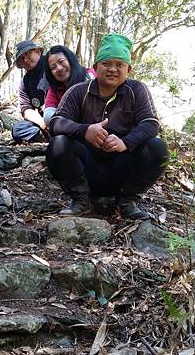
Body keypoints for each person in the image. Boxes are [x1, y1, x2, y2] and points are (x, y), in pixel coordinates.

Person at [46, 33, 168, 219]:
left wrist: (125, 142)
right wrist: (85, 130)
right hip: (87, 170)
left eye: (119, 65)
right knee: (59, 144)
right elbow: (56, 122)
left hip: (122, 169)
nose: (112, 69)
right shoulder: (78, 91)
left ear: (128, 69)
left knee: (158, 148)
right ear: (96, 67)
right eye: (106, 64)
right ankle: (81, 199)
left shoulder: (137, 90)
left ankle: (127, 201)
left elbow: (150, 123)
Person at [43, 45, 96, 127]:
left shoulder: (90, 76)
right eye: (53, 67)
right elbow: (48, 117)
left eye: (61, 61)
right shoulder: (54, 90)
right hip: (75, 131)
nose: (59, 68)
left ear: (70, 59)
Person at [11, 40, 48, 143]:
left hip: (61, 114)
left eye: (28, 54)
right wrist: (41, 123)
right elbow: (26, 109)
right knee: (17, 129)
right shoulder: (25, 82)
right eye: (22, 58)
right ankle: (43, 136)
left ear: (38, 52)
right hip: (43, 120)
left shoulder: (52, 66)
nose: (26, 59)